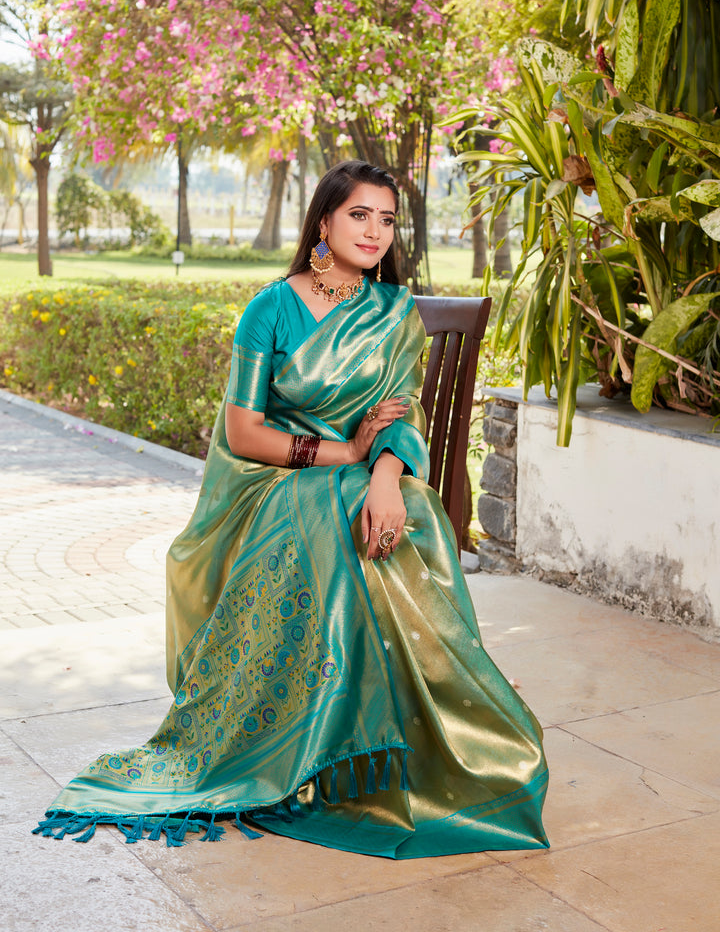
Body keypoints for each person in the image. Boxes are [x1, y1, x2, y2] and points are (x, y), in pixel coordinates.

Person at [35, 160, 548, 857]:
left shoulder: (393, 313)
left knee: (386, 514)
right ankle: (308, 752)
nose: (375, 231)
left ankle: (391, 744)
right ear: (324, 222)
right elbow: (245, 432)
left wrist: (385, 477)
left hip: (373, 475)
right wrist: (341, 456)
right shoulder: (270, 309)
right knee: (325, 513)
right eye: (359, 215)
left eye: (388, 219)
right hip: (271, 481)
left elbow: (401, 417)